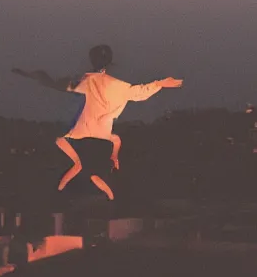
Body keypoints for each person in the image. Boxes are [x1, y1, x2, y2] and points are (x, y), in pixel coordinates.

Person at [13, 44, 183, 200]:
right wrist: (160, 83)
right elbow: (140, 92)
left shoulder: (84, 80)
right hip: (102, 133)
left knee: (60, 140)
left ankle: (75, 169)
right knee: (113, 142)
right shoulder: (118, 86)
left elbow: (55, 83)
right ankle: (99, 171)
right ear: (109, 64)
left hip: (81, 131)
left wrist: (33, 75)